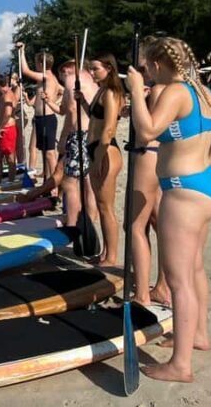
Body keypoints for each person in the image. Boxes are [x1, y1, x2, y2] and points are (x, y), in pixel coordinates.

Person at [128, 37, 211, 383]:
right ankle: (198, 333)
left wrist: (134, 91)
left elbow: (146, 132)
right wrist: (204, 166)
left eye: (146, 68)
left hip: (183, 193)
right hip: (205, 187)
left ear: (157, 65)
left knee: (178, 281)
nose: (145, 73)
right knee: (196, 269)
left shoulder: (173, 90)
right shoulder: (201, 91)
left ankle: (180, 365)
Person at [129, 42, 171, 307]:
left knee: (136, 226)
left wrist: (136, 96)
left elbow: (147, 130)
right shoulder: (177, 90)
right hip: (164, 156)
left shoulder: (156, 90)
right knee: (158, 224)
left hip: (148, 153)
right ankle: (163, 286)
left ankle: (143, 293)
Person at [76, 53, 124, 267]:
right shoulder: (101, 92)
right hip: (95, 148)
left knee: (106, 207)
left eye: (95, 69)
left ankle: (111, 256)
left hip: (105, 151)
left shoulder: (112, 93)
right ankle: (105, 253)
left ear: (109, 68)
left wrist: (97, 160)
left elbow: (109, 128)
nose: (92, 72)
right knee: (102, 205)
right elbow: (96, 117)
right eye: (90, 69)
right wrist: (83, 102)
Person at [44, 59, 99, 227]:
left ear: (69, 68)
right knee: (89, 182)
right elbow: (63, 110)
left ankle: (73, 223)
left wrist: (63, 139)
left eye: (63, 70)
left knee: (70, 183)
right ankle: (89, 223)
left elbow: (73, 111)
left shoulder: (72, 79)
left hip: (79, 134)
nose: (62, 74)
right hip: (94, 133)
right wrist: (48, 101)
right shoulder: (92, 80)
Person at [16, 43, 60, 182]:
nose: (36, 66)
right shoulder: (49, 79)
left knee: (49, 154)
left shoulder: (47, 77)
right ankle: (48, 179)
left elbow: (26, 71)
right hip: (41, 119)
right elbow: (62, 90)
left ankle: (54, 182)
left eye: (36, 63)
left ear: (42, 64)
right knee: (45, 152)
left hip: (47, 118)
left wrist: (22, 52)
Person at [0, 74, 18, 184]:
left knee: (10, 157)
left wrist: (0, 127)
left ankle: (11, 180)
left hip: (7, 128)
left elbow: (8, 113)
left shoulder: (7, 95)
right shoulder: (2, 93)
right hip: (3, 128)